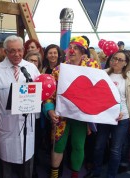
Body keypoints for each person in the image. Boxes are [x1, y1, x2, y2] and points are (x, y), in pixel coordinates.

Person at [44, 36, 100, 178]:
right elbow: (50, 94)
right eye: (71, 48)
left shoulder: (92, 66)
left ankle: (75, 174)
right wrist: (49, 110)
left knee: (78, 145)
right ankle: (54, 175)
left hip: (81, 115)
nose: (72, 51)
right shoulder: (58, 69)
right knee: (58, 145)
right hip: (61, 115)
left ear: (83, 51)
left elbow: (99, 90)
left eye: (77, 48)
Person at [0, 35, 40, 178]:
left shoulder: (31, 69)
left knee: (27, 163)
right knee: (6, 166)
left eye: (19, 50)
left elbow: (39, 94)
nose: (16, 54)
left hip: (27, 125)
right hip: (7, 124)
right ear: (5, 52)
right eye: (12, 51)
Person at [84, 50, 130, 178]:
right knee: (99, 146)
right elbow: (96, 95)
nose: (116, 61)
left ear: (126, 63)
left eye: (120, 60)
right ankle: (96, 172)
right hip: (105, 117)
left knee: (115, 149)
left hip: (123, 119)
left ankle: (111, 175)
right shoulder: (103, 74)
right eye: (115, 58)